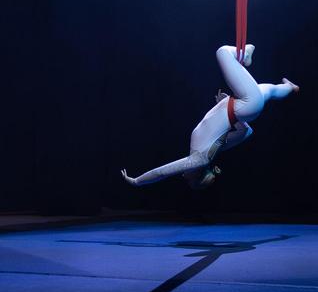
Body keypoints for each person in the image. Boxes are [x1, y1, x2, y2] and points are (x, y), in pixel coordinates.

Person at [121, 45, 299, 190]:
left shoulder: (209, 152)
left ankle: (290, 87)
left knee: (270, 90)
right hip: (245, 105)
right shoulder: (199, 160)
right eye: (188, 179)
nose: (183, 176)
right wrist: (137, 181)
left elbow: (246, 131)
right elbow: (161, 173)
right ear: (196, 175)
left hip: (244, 106)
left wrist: (224, 105)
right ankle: (246, 53)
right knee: (222, 52)